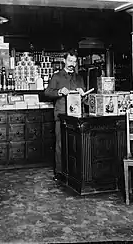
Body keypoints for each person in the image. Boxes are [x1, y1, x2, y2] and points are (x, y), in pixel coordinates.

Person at [44, 49, 86, 182]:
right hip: (61, 115)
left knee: (75, 145)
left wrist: (83, 93)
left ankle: (74, 171)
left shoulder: (79, 78)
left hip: (76, 116)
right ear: (64, 61)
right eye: (70, 61)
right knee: (61, 145)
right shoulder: (57, 76)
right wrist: (60, 92)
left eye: (74, 61)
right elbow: (47, 93)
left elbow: (84, 99)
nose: (72, 64)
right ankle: (59, 172)